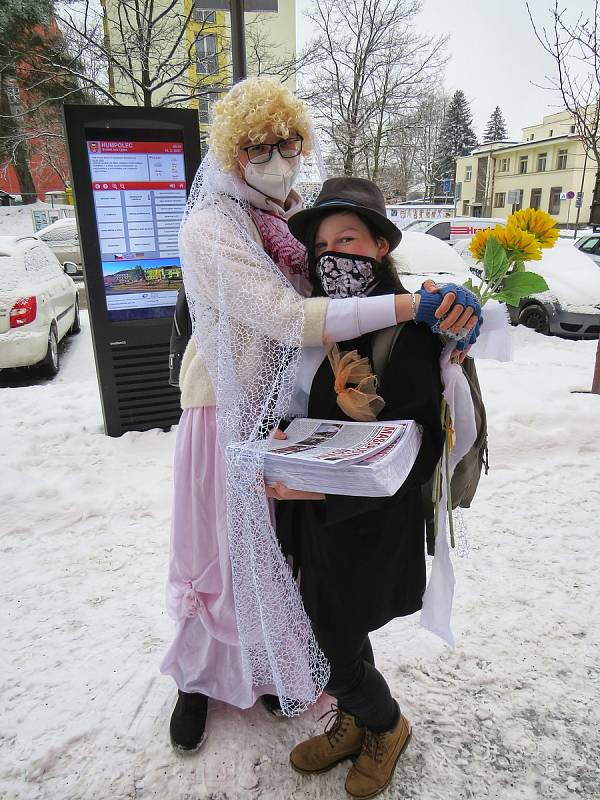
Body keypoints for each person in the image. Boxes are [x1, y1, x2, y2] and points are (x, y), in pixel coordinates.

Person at [160, 77, 482, 754]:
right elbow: (288, 316)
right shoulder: (209, 226)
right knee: (216, 552)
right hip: (224, 412)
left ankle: (265, 662)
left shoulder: (287, 218)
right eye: (259, 146)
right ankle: (197, 678)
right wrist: (411, 308)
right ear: (231, 151)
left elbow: (357, 283)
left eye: (289, 142)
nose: (277, 156)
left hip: (288, 416)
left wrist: (451, 320)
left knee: (276, 556)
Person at [267, 177, 448, 799]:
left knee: (327, 644)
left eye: (348, 238)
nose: (333, 255)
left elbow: (423, 444)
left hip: (368, 525)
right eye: (321, 246)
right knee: (330, 629)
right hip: (313, 519)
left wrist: (336, 479)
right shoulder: (323, 325)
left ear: (379, 246)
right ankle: (353, 719)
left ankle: (384, 725)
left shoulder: (411, 327)